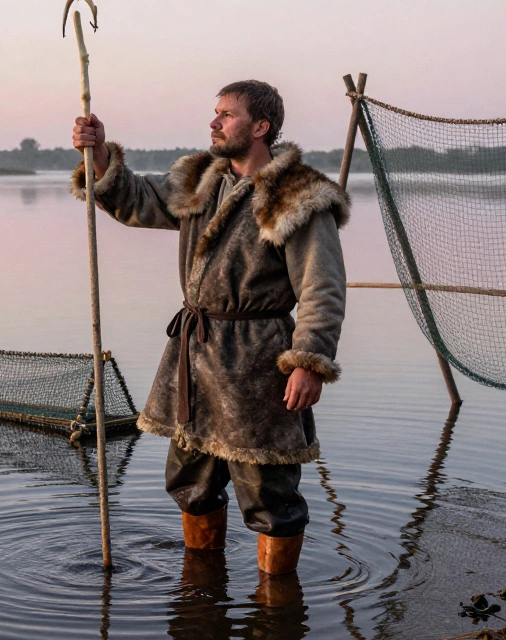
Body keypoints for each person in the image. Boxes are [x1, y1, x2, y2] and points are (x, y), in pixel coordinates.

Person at [70, 80, 348, 577]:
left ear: (260, 127)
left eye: (227, 114)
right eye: (214, 113)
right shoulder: (201, 178)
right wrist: (100, 157)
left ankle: (275, 608)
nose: (214, 122)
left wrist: (308, 362)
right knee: (190, 481)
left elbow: (321, 290)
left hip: (258, 361)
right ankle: (201, 590)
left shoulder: (297, 195)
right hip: (195, 356)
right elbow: (138, 199)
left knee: (269, 494)